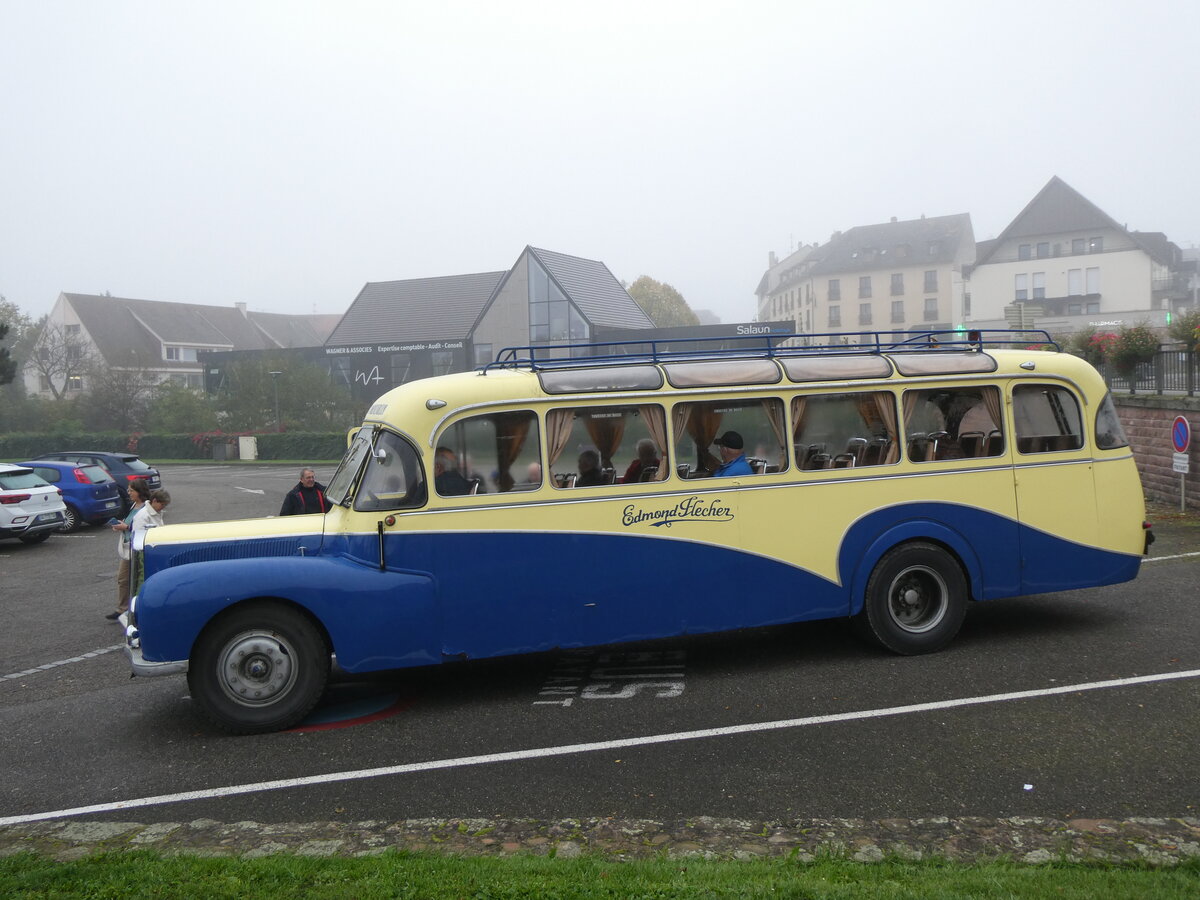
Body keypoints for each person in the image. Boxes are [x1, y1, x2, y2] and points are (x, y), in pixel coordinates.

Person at [107, 478, 150, 620]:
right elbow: (130, 524)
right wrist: (122, 525)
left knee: (134, 579)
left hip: (137, 550)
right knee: (123, 579)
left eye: (131, 490)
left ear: (139, 492)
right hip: (127, 548)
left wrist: (125, 527)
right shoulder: (134, 506)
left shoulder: (146, 508)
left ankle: (131, 608)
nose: (128, 492)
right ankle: (123, 608)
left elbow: (144, 528)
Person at [128, 489, 171, 605]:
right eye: (162, 504)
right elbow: (138, 536)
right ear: (155, 501)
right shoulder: (143, 516)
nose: (163, 507)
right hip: (145, 554)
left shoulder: (156, 513)